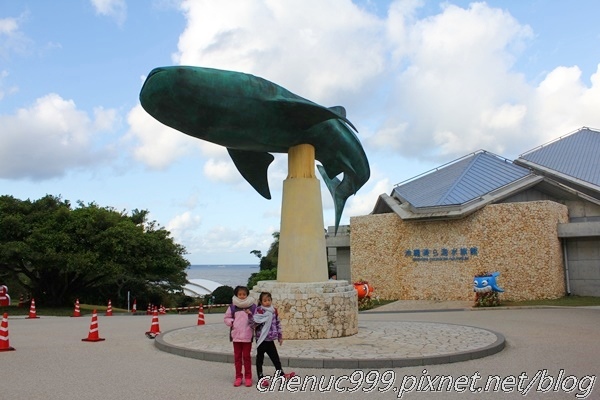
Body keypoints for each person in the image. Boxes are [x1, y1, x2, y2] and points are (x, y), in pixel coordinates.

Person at [250, 292, 294, 387]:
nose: (267, 302)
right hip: (261, 339)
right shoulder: (259, 311)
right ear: (261, 301)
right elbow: (253, 323)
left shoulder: (274, 311)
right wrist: (259, 320)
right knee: (260, 359)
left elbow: (277, 323)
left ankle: (281, 375)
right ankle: (261, 377)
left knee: (275, 359)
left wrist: (280, 336)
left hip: (270, 339)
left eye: (269, 300)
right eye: (265, 300)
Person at [224, 286, 256, 387]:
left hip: (247, 335)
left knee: (246, 357)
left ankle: (248, 377)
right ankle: (238, 377)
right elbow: (227, 318)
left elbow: (256, 320)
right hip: (236, 336)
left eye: (244, 294)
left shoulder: (252, 306)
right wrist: (232, 323)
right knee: (237, 357)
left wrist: (250, 315)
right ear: (236, 295)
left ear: (247, 295)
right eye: (240, 294)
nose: (242, 296)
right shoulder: (232, 306)